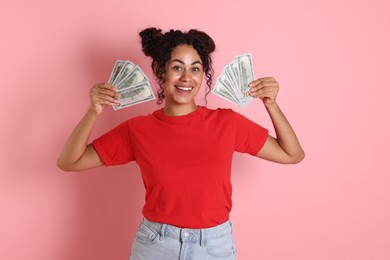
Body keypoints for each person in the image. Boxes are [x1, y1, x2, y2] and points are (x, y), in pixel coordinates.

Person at [57, 27, 304, 260]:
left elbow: (292, 154)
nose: (186, 77)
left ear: (203, 74)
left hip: (214, 246)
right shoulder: (138, 129)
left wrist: (271, 104)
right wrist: (94, 112)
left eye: (195, 69)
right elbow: (70, 161)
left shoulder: (227, 123)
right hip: (155, 245)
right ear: (160, 70)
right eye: (177, 67)